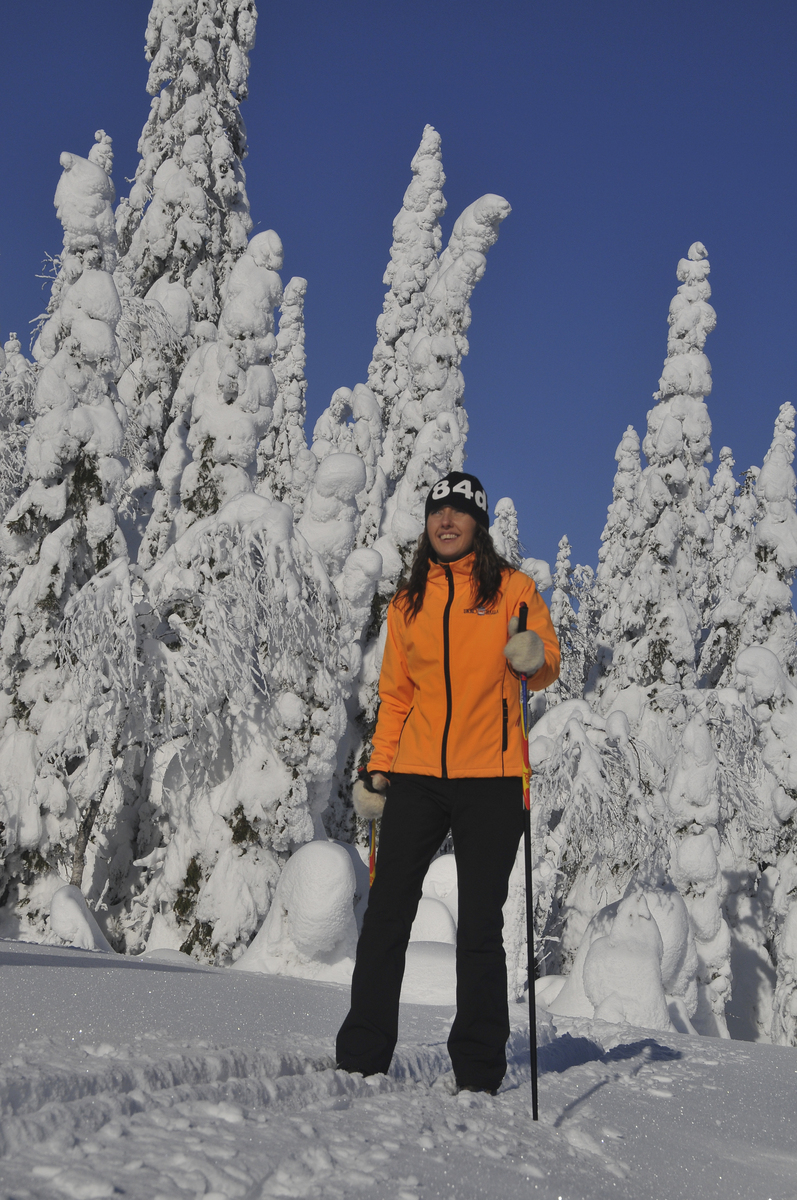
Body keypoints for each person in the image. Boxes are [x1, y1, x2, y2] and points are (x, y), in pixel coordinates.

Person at [336, 470, 560, 1095]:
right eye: (438, 513)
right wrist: (380, 764)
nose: (447, 522)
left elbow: (547, 662)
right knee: (386, 916)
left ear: (478, 524)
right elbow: (396, 695)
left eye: (459, 513)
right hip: (417, 777)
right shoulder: (409, 603)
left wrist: (533, 656)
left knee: (481, 927)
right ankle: (361, 1055)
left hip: (491, 775)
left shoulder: (513, 590)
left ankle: (480, 1070)